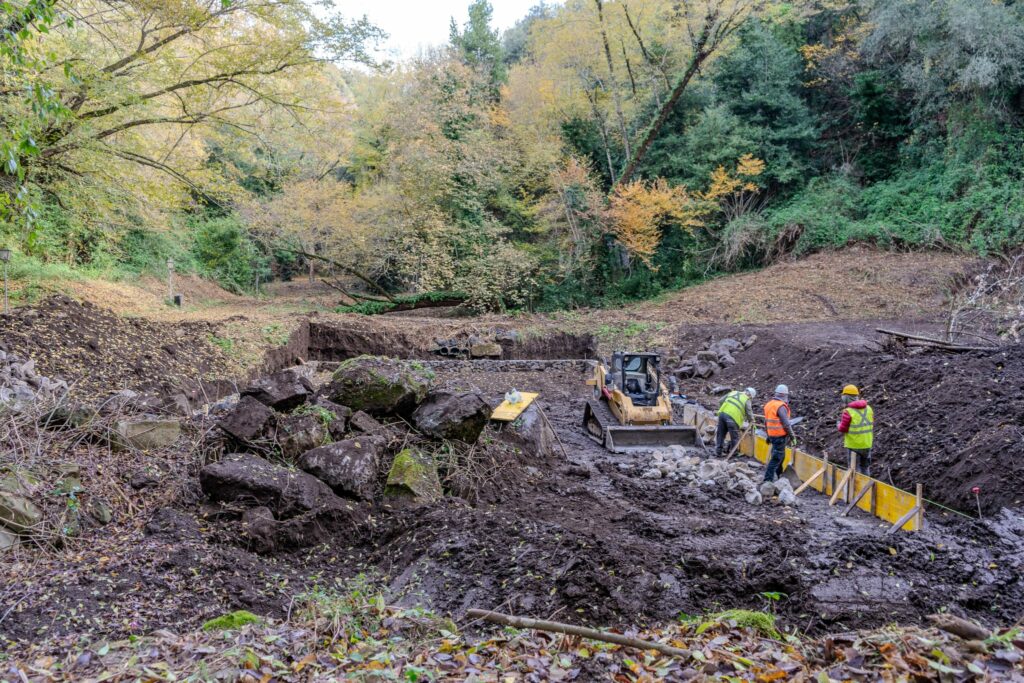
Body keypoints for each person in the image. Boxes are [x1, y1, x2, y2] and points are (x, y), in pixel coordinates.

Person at [837, 384, 874, 476]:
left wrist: (838, 424)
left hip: (854, 446)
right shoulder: (869, 409)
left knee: (853, 470)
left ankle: (854, 489)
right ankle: (866, 488)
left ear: (846, 398)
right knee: (865, 468)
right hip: (867, 444)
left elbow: (843, 429)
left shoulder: (848, 411)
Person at [763, 384, 795, 482]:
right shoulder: (781, 406)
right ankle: (767, 480)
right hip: (779, 436)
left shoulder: (769, 404)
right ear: (785, 395)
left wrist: (768, 435)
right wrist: (792, 436)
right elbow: (786, 424)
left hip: (772, 435)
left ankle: (778, 474)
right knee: (776, 458)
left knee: (780, 455)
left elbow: (767, 421)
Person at [715, 387, 756, 457]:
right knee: (734, 437)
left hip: (722, 414)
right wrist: (753, 423)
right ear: (750, 395)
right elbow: (749, 412)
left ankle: (718, 452)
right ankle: (733, 453)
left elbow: (720, 401)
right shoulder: (747, 399)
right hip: (733, 418)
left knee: (721, 434)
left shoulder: (733, 392)